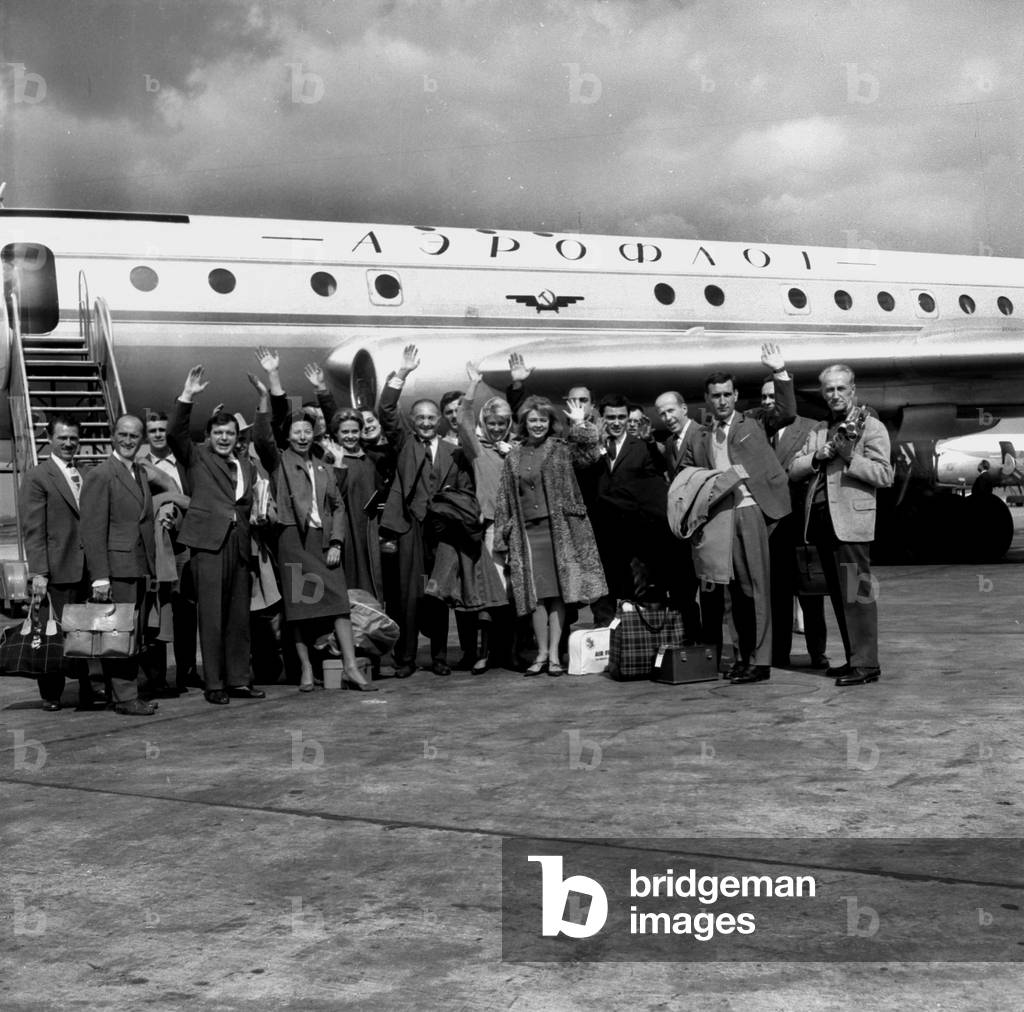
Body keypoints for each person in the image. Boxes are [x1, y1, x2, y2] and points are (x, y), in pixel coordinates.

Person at [681, 343, 796, 683]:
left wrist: (779, 371)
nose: (722, 401)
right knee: (731, 594)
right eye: (715, 396)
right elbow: (688, 475)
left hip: (750, 511)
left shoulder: (755, 421)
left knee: (755, 589)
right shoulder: (701, 436)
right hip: (720, 518)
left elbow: (786, 412)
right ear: (707, 399)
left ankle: (761, 661)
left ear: (735, 396)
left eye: (727, 395)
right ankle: (743, 657)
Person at [250, 378, 375, 692]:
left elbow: (338, 506)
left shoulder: (324, 465)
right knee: (300, 608)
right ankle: (306, 667)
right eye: (297, 431)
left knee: (339, 605)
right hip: (293, 542)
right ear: (288, 436)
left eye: (307, 431)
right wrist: (264, 398)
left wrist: (336, 542)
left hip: (323, 542)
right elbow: (262, 438)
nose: (303, 436)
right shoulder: (279, 461)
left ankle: (351, 667)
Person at [789, 365, 893, 686]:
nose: (835, 395)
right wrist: (817, 456)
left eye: (841, 388)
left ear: (853, 391)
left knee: (856, 594)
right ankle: (854, 658)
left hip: (850, 522)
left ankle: (867, 665)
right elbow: (794, 468)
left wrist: (849, 457)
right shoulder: (819, 430)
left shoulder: (871, 426)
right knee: (838, 595)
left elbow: (884, 474)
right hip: (823, 522)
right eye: (829, 390)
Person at [168, 366, 264, 705]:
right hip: (209, 545)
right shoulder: (197, 457)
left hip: (239, 545)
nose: (224, 438)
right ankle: (214, 683)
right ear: (208, 436)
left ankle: (238, 679)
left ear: (238, 437)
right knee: (211, 615)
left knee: (239, 617)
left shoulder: (246, 465)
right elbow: (175, 433)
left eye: (230, 433)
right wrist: (187, 395)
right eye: (218, 433)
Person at [492, 396, 607, 676]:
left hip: (559, 531)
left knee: (557, 595)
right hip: (527, 534)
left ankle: (555, 654)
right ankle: (541, 653)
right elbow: (505, 498)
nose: (538, 425)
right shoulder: (514, 455)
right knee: (536, 597)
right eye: (533, 420)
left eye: (542, 420)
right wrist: (501, 537)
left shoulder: (561, 449)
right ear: (524, 423)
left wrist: (581, 424)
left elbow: (589, 456)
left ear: (550, 422)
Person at [378, 344, 464, 678]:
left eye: (431, 418)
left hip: (441, 531)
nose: (426, 423)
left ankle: (440, 657)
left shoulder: (452, 451)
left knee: (437, 595)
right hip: (409, 527)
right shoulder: (406, 443)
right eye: (421, 418)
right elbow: (387, 409)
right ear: (413, 422)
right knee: (408, 596)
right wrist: (401, 373)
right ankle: (406, 659)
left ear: (439, 421)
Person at [79, 414, 159, 716]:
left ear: (142, 440)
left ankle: (122, 694)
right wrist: (100, 577)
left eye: (134, 436)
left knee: (131, 633)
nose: (128, 440)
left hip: (137, 567)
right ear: (113, 436)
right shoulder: (101, 475)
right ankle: (126, 697)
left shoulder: (138, 472)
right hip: (116, 569)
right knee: (119, 634)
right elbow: (92, 530)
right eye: (123, 434)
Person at [442, 361, 518, 674]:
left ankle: (510, 653)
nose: (496, 428)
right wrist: (473, 385)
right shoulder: (477, 449)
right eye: (491, 423)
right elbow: (463, 418)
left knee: (516, 592)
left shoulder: (515, 450)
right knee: (492, 592)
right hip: (491, 526)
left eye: (502, 423)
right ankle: (485, 653)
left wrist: (512, 453)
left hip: (518, 528)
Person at [19, 416, 99, 712]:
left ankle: (88, 687)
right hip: (56, 570)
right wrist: (38, 572)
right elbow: (33, 528)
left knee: (85, 633)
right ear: (49, 438)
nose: (68, 443)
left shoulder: (86, 473)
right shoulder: (38, 477)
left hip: (86, 569)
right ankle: (51, 693)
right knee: (52, 634)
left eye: (73, 438)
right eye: (62, 438)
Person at [761, 377, 829, 669]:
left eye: (773, 396)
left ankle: (817, 651)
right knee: (778, 594)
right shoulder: (758, 430)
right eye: (763, 397)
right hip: (771, 525)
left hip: (801, 522)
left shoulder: (812, 428)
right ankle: (779, 653)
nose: (768, 402)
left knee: (811, 593)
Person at [138, 410, 198, 694]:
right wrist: (171, 497)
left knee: (186, 610)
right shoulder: (140, 466)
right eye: (153, 431)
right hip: (156, 549)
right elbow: (140, 506)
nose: (159, 435)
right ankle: (156, 677)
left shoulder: (185, 463)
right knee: (156, 612)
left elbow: (196, 501)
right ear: (146, 436)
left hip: (184, 547)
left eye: (163, 429)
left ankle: (188, 672)